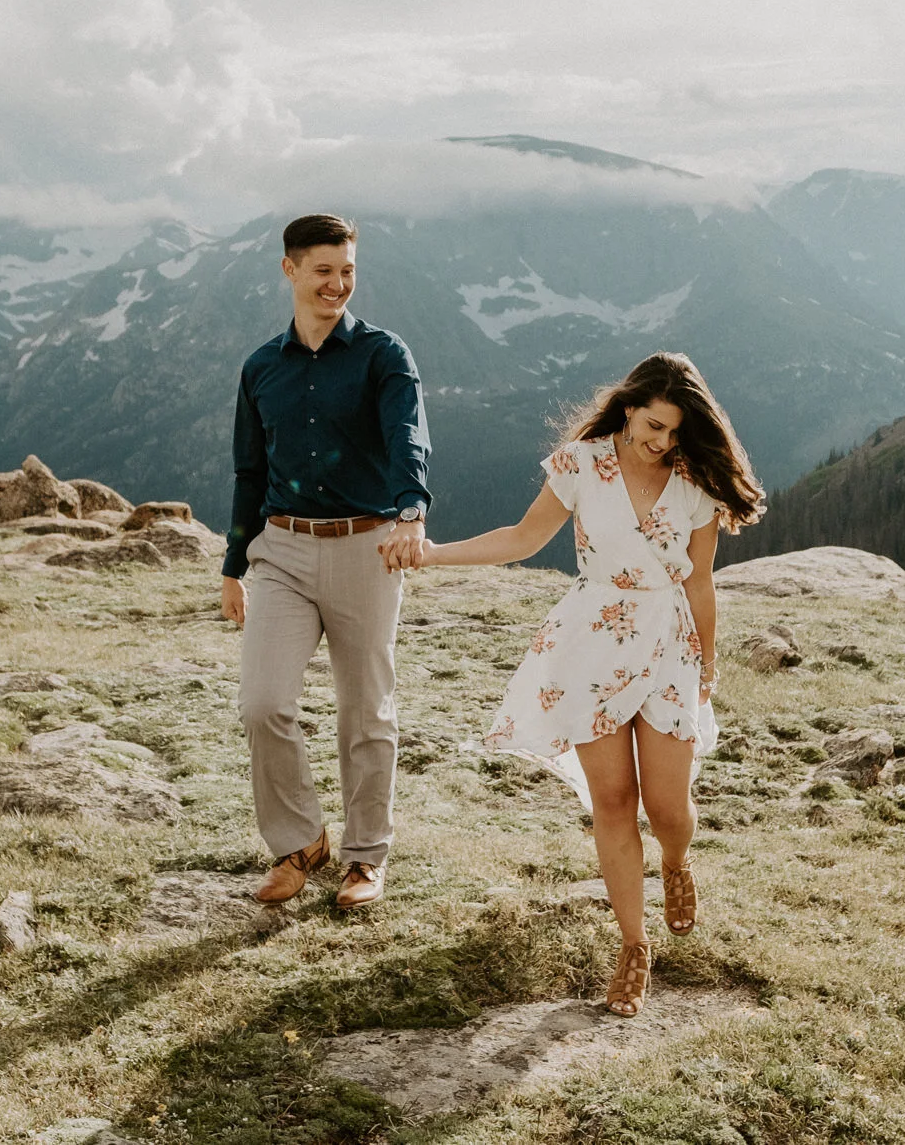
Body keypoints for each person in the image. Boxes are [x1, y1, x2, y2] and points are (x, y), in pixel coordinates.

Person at [421, 352, 764, 1016]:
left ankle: (676, 859)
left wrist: (708, 663)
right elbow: (523, 537)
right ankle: (634, 948)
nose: (662, 441)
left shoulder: (693, 480)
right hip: (592, 640)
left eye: (674, 431)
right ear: (630, 406)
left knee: (667, 807)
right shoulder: (581, 463)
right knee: (612, 801)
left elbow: (698, 579)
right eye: (654, 426)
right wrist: (436, 552)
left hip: (667, 642)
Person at [221, 213, 432, 912]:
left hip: (366, 545)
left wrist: (410, 509)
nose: (337, 284)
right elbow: (249, 472)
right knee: (262, 703)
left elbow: (407, 437)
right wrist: (232, 564)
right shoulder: (261, 368)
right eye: (323, 270)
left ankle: (365, 858)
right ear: (290, 269)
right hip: (280, 549)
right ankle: (301, 843)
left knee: (365, 708)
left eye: (347, 271)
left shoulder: (384, 355)